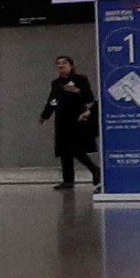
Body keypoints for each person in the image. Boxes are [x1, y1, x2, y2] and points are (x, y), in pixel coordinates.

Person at [40, 56, 100, 190]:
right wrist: (46, 115)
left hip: (77, 118)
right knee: (64, 150)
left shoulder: (80, 79)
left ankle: (94, 168)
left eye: (64, 63)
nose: (61, 66)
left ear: (71, 65)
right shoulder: (56, 83)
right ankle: (68, 180)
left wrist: (76, 90)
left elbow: (89, 97)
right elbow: (53, 100)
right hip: (62, 119)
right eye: (58, 64)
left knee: (75, 148)